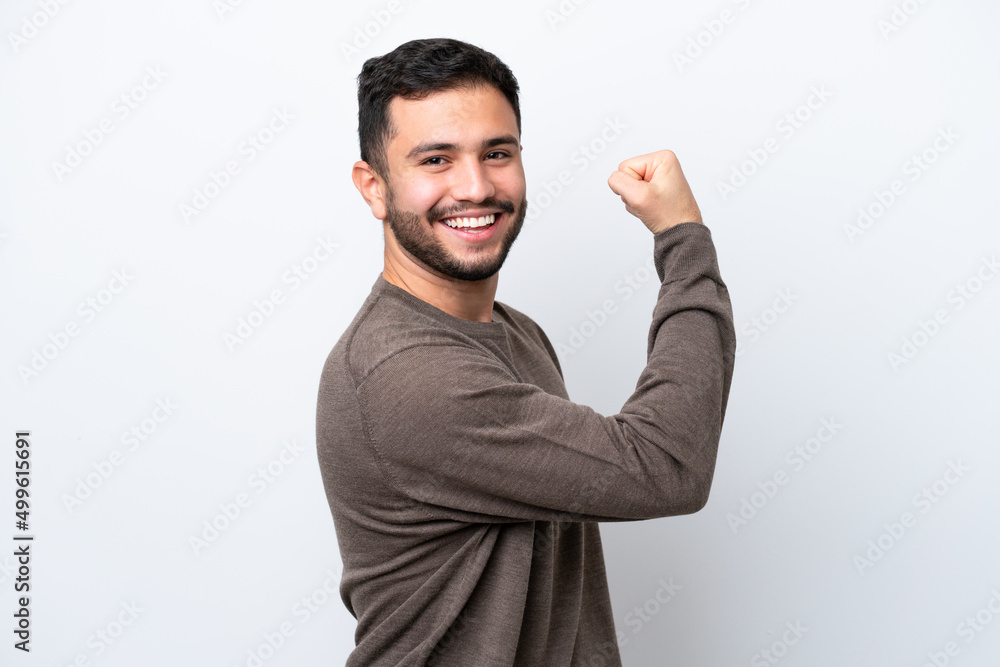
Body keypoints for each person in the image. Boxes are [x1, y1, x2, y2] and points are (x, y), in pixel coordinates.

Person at [315, 37, 736, 666]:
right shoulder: (405, 375)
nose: (476, 186)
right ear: (374, 187)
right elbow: (666, 467)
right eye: (435, 159)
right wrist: (683, 239)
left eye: (497, 153)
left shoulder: (515, 332)